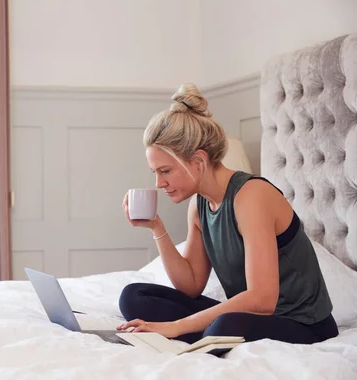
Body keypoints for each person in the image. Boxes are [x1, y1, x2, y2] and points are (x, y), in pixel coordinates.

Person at [116, 83, 339, 346]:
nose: (159, 183)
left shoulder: (251, 196)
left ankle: (197, 333)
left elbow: (261, 299)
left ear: (198, 161)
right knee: (133, 296)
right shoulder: (199, 205)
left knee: (223, 326)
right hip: (252, 317)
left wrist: (176, 326)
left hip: (303, 324)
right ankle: (201, 333)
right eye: (155, 172)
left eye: (165, 171)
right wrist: (156, 227)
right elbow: (191, 286)